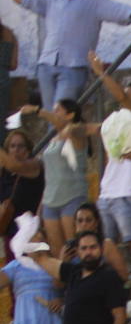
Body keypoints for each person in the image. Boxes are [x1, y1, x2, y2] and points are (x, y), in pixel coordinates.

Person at [12, 0, 131, 110]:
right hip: (46, 65)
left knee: (62, 115)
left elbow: (121, 12)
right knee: (50, 117)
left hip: (73, 67)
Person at [87, 55, 131, 312]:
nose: (127, 96)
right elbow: (87, 128)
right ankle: (123, 296)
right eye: (127, 91)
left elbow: (122, 99)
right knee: (107, 248)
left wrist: (101, 73)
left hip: (128, 192)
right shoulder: (116, 122)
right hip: (107, 193)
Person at [25, 99, 90, 258]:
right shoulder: (53, 140)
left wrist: (36, 109)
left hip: (72, 197)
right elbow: (50, 176)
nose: (53, 114)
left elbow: (64, 125)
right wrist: (41, 207)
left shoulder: (76, 133)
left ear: (70, 115)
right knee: (57, 252)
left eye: (57, 110)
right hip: (50, 201)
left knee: (74, 248)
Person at [0, 131, 45, 259]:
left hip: (30, 232)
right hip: (9, 231)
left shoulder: (34, 165)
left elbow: (14, 165)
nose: (16, 150)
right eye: (12, 146)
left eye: (20, 146)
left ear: (28, 149)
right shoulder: (4, 173)